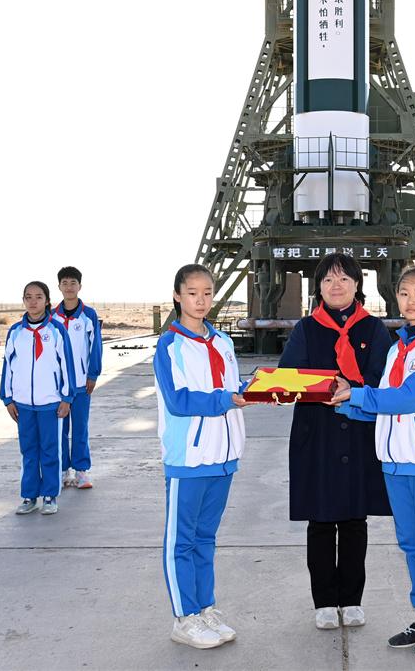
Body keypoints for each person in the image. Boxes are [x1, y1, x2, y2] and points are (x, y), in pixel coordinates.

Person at [331, 266, 415, 656]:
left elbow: (410, 398)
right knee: (410, 544)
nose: (410, 300)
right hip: (394, 461)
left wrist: (357, 395)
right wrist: (345, 404)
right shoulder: (397, 349)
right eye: (404, 293)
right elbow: (385, 404)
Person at [277, 252, 393, 630]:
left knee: (356, 520)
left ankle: (352, 600)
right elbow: (288, 376)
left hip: (359, 432)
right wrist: (328, 385)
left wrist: (352, 388)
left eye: (344, 279)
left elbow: (383, 378)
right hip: (318, 434)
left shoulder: (374, 330)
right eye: (328, 280)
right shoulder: (306, 329)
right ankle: (325, 602)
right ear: (319, 288)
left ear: (357, 285)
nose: (336, 286)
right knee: (321, 521)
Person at [153, 264, 248, 649]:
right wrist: (226, 399)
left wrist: (257, 389)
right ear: (178, 296)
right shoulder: (170, 345)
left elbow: (230, 387)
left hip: (223, 456)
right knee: (181, 541)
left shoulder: (223, 341)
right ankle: (184, 618)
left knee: (206, 538)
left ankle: (204, 608)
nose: (201, 300)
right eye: (192, 293)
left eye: (207, 292)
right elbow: (178, 401)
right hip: (189, 457)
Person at [0, 281, 74, 516]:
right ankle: (29, 496)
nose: (33, 301)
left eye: (38, 297)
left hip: (50, 403)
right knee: (28, 450)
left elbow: (67, 365)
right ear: (23, 300)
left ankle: (50, 495)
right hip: (23, 404)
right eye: (28, 297)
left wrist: (67, 397)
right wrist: (7, 398)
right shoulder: (16, 332)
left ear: (47, 301)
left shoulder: (56, 330)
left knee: (50, 450)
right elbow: (8, 367)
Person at [54, 266, 103, 490]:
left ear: (80, 286)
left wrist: (92, 374)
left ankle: (82, 471)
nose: (69, 287)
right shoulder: (52, 316)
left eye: (73, 283)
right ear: (59, 286)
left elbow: (95, 346)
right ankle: (64, 470)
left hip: (82, 383)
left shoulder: (88, 315)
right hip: (58, 385)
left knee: (80, 427)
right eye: (64, 283)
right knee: (60, 428)